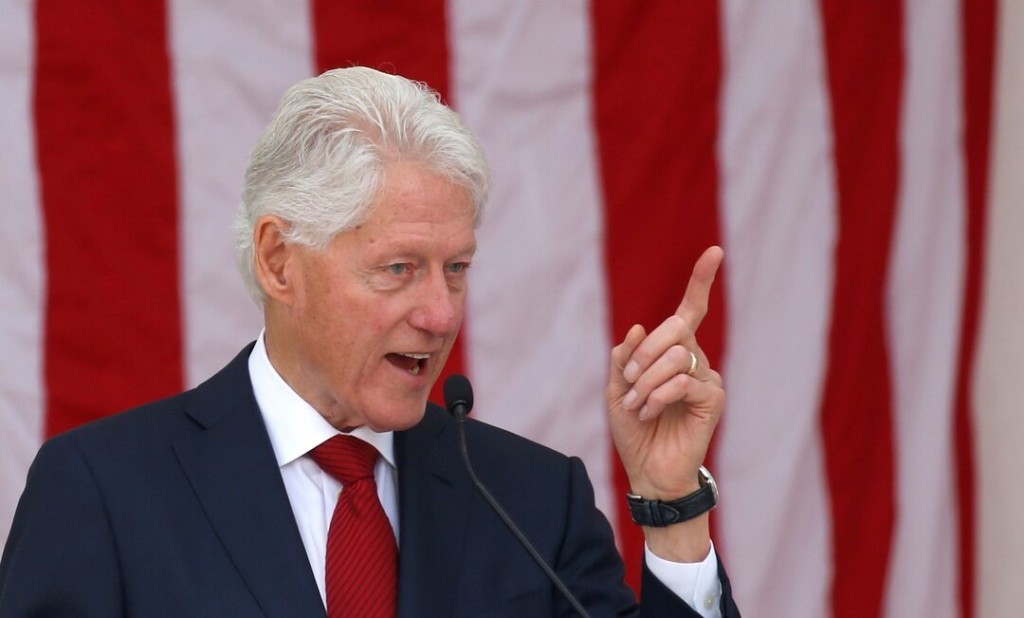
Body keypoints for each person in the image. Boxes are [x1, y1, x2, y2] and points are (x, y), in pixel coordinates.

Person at [0, 67, 739, 617]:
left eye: (456, 270)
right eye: (399, 269)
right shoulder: (104, 491)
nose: (441, 314)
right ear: (279, 261)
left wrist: (671, 502)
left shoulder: (533, 501)